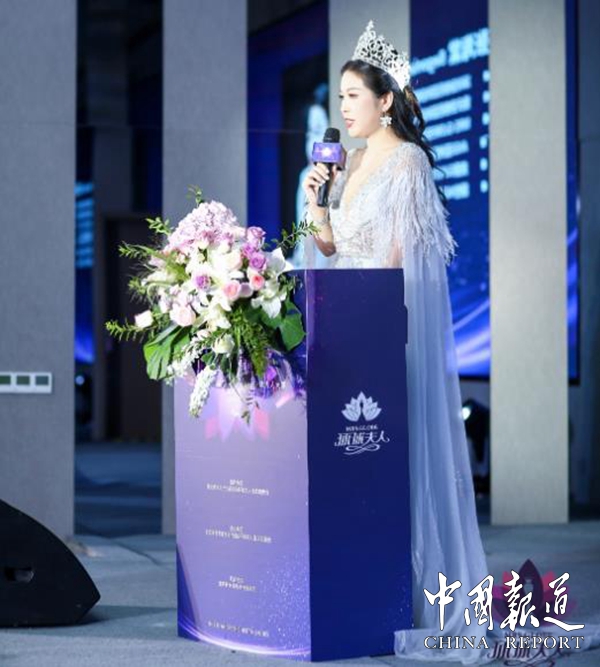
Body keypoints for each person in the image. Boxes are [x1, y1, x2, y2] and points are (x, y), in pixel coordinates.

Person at [299, 20, 600, 665]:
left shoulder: (405, 162)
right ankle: (365, 587)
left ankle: (409, 593)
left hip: (383, 332)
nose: (343, 107)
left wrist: (370, 318)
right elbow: (330, 249)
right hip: (347, 327)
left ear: (385, 101)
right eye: (340, 96)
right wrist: (317, 204)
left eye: (353, 96)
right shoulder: (348, 163)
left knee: (393, 459)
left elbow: (397, 261)